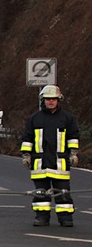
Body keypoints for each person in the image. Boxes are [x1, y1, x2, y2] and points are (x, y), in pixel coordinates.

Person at [21, 84, 80, 227]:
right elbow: (27, 138)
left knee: (63, 192)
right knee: (41, 193)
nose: (50, 102)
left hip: (60, 162)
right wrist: (26, 155)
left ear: (58, 100)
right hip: (39, 162)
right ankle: (42, 217)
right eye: (48, 99)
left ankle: (65, 218)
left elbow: (73, 136)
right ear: (43, 100)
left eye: (53, 99)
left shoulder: (67, 118)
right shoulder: (34, 119)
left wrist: (73, 154)